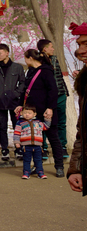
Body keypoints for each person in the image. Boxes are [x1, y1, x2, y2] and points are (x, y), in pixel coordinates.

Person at [17, 49, 64, 178]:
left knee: (53, 139)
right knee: (33, 142)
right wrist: (21, 105)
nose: (25, 61)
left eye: (25, 58)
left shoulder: (46, 71)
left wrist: (50, 108)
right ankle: (37, 167)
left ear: (31, 58)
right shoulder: (31, 72)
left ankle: (59, 166)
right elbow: (25, 90)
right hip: (32, 113)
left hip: (46, 112)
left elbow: (53, 91)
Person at [0, 44, 26, 161]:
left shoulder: (17, 67)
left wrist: (16, 93)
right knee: (3, 126)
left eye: (0, 53)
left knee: (17, 126)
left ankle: (18, 148)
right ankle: (4, 149)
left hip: (14, 102)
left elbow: (23, 82)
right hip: (0, 101)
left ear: (7, 53)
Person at [37, 39, 69, 156]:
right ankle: (43, 147)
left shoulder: (55, 59)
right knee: (44, 122)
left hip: (60, 95)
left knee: (61, 122)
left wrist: (64, 91)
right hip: (46, 98)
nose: (53, 49)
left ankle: (62, 146)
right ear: (45, 49)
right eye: (51, 46)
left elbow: (60, 76)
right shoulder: (38, 61)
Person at [67, 21, 87, 194]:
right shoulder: (85, 82)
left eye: (86, 44)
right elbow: (82, 131)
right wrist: (76, 168)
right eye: (79, 44)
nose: (80, 51)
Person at [14, 105, 48, 179]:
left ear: (34, 114)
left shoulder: (38, 122)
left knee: (38, 160)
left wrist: (47, 118)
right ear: (22, 113)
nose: (27, 114)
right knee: (27, 160)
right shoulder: (20, 123)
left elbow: (46, 127)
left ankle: (40, 172)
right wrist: (17, 142)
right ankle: (26, 172)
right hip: (26, 146)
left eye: (29, 113)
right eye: (25, 113)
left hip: (37, 145)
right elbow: (17, 133)